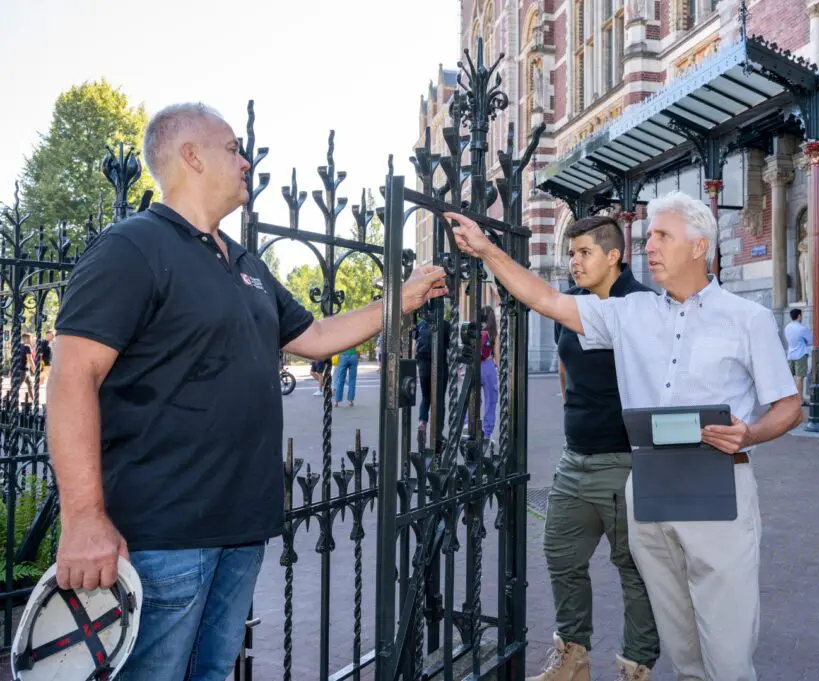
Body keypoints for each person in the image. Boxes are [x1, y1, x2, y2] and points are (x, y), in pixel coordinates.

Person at [46, 102, 447, 681]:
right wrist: (84, 519)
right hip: (163, 537)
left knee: (211, 673)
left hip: (241, 527)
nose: (246, 160)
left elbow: (313, 336)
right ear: (190, 156)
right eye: (233, 148)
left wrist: (400, 299)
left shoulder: (244, 262)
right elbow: (71, 376)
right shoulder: (132, 247)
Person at [444, 190, 803, 681]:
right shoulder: (631, 313)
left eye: (662, 236)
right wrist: (487, 250)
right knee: (682, 642)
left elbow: (789, 406)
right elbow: (544, 298)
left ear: (698, 247)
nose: (649, 246)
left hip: (718, 486)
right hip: (648, 488)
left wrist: (749, 435)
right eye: (649, 235)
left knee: (728, 645)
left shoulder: (748, 319)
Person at [530, 216, 659, 681]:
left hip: (625, 460)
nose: (573, 262)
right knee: (560, 555)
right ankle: (572, 659)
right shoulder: (575, 304)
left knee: (634, 568)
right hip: (574, 458)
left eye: (583, 252)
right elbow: (567, 367)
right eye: (570, 253)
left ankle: (636, 665)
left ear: (613, 255)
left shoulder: (642, 305)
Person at [414, 311, 451, 445]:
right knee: (440, 400)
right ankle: (438, 432)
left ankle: (422, 423)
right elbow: (449, 347)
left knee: (425, 397)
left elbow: (415, 347)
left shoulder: (420, 325)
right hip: (440, 366)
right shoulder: (445, 325)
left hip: (423, 365)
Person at [784, 308, 813, 406]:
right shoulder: (802, 328)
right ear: (799, 316)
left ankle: (789, 399)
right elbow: (810, 341)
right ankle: (800, 399)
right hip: (800, 354)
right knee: (799, 378)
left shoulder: (787, 327)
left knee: (790, 378)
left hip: (791, 354)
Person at [478, 305, 499, 442]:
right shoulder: (493, 333)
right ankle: (487, 432)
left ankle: (469, 425)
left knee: (474, 399)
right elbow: (497, 355)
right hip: (488, 365)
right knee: (490, 401)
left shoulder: (475, 330)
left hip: (475, 366)